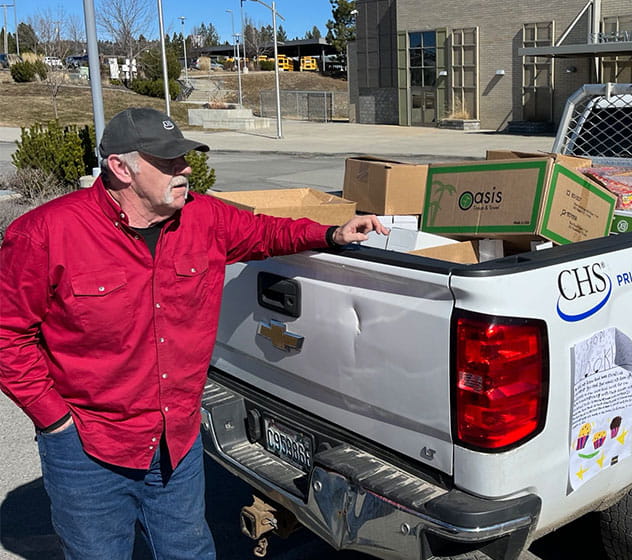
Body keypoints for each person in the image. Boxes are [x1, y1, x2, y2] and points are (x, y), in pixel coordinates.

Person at [0, 107, 388, 559]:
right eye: (168, 162)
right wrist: (55, 421)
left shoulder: (204, 218)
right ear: (121, 168)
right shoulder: (46, 233)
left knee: (189, 551)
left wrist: (331, 234)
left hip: (175, 440)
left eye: (183, 158)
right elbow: (7, 337)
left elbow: (265, 232)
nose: (184, 169)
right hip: (89, 446)